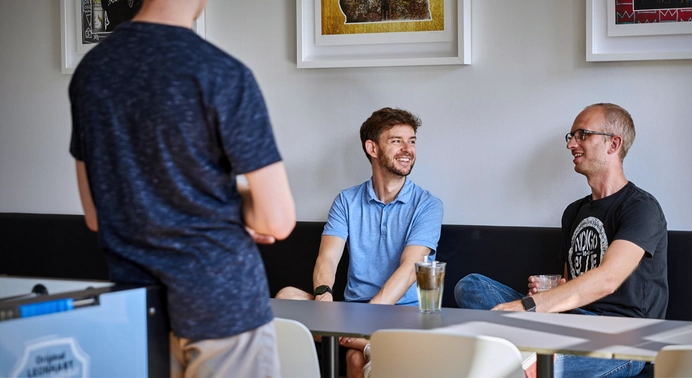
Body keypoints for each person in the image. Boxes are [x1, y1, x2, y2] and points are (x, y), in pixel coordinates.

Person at [68, 0, 296, 376]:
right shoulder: (222, 74)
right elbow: (276, 220)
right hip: (223, 305)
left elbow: (94, 214)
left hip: (136, 310)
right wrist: (236, 203)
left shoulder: (92, 72)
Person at [454, 103, 667, 378]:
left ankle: (518, 361)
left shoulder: (641, 208)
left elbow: (608, 279)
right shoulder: (574, 212)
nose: (571, 145)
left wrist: (531, 306)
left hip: (623, 340)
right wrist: (549, 291)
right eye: (571, 137)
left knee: (537, 365)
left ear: (613, 144)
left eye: (582, 135)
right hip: (570, 324)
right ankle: (523, 357)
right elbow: (570, 282)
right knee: (470, 286)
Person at [276, 107, 443, 378]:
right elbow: (328, 258)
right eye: (396, 140)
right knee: (286, 297)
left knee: (354, 362)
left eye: (412, 141)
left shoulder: (428, 205)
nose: (407, 149)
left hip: (403, 316)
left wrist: (367, 317)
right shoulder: (346, 201)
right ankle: (365, 342)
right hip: (352, 312)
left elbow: (410, 267)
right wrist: (323, 296)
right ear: (372, 148)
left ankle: (361, 343)